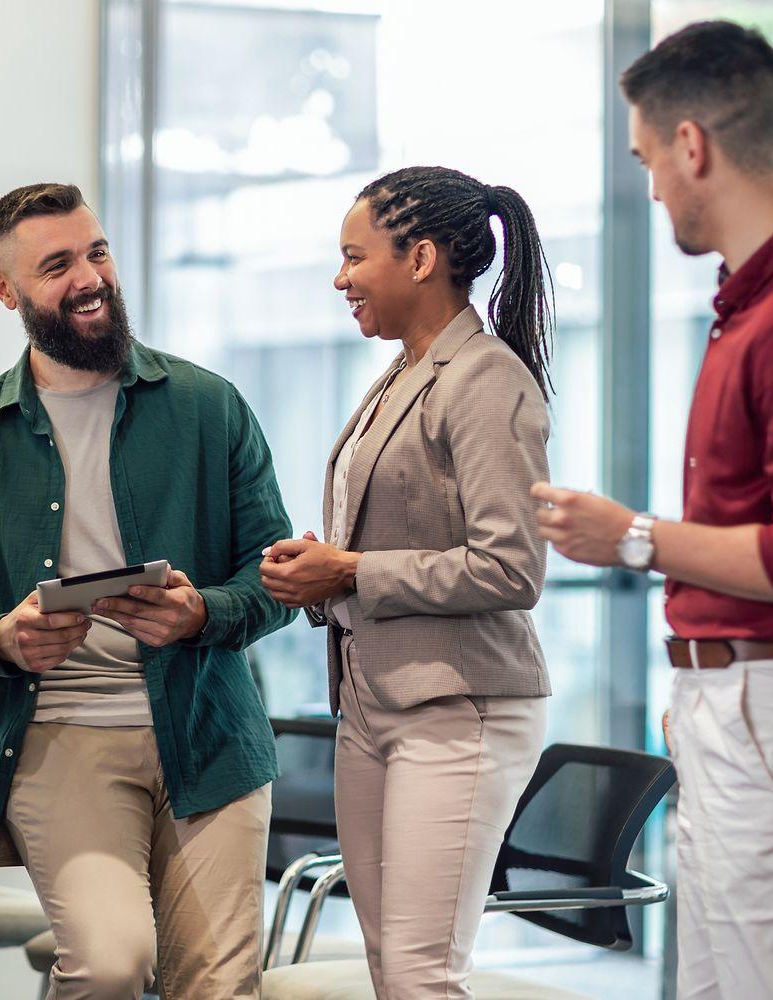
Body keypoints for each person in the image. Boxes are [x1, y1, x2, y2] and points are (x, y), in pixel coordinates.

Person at [533, 21, 773, 1000]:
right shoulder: (761, 301)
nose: (650, 185)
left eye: (648, 157)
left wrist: (635, 538)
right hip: (743, 708)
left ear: (691, 144)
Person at [0, 182, 293, 999]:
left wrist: (202, 612)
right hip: (60, 738)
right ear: (4, 290)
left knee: (218, 990)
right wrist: (0, 640)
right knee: (111, 966)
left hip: (209, 738)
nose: (90, 278)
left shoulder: (208, 406)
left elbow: (276, 573)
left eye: (97, 252)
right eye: (57, 266)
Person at [261, 166, 555, 999]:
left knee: (422, 975)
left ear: (420, 257)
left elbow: (511, 566)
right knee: (392, 968)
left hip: (460, 709)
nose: (340, 277)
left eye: (355, 256)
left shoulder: (485, 379)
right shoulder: (401, 372)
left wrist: (349, 570)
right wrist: (325, 575)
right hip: (375, 703)